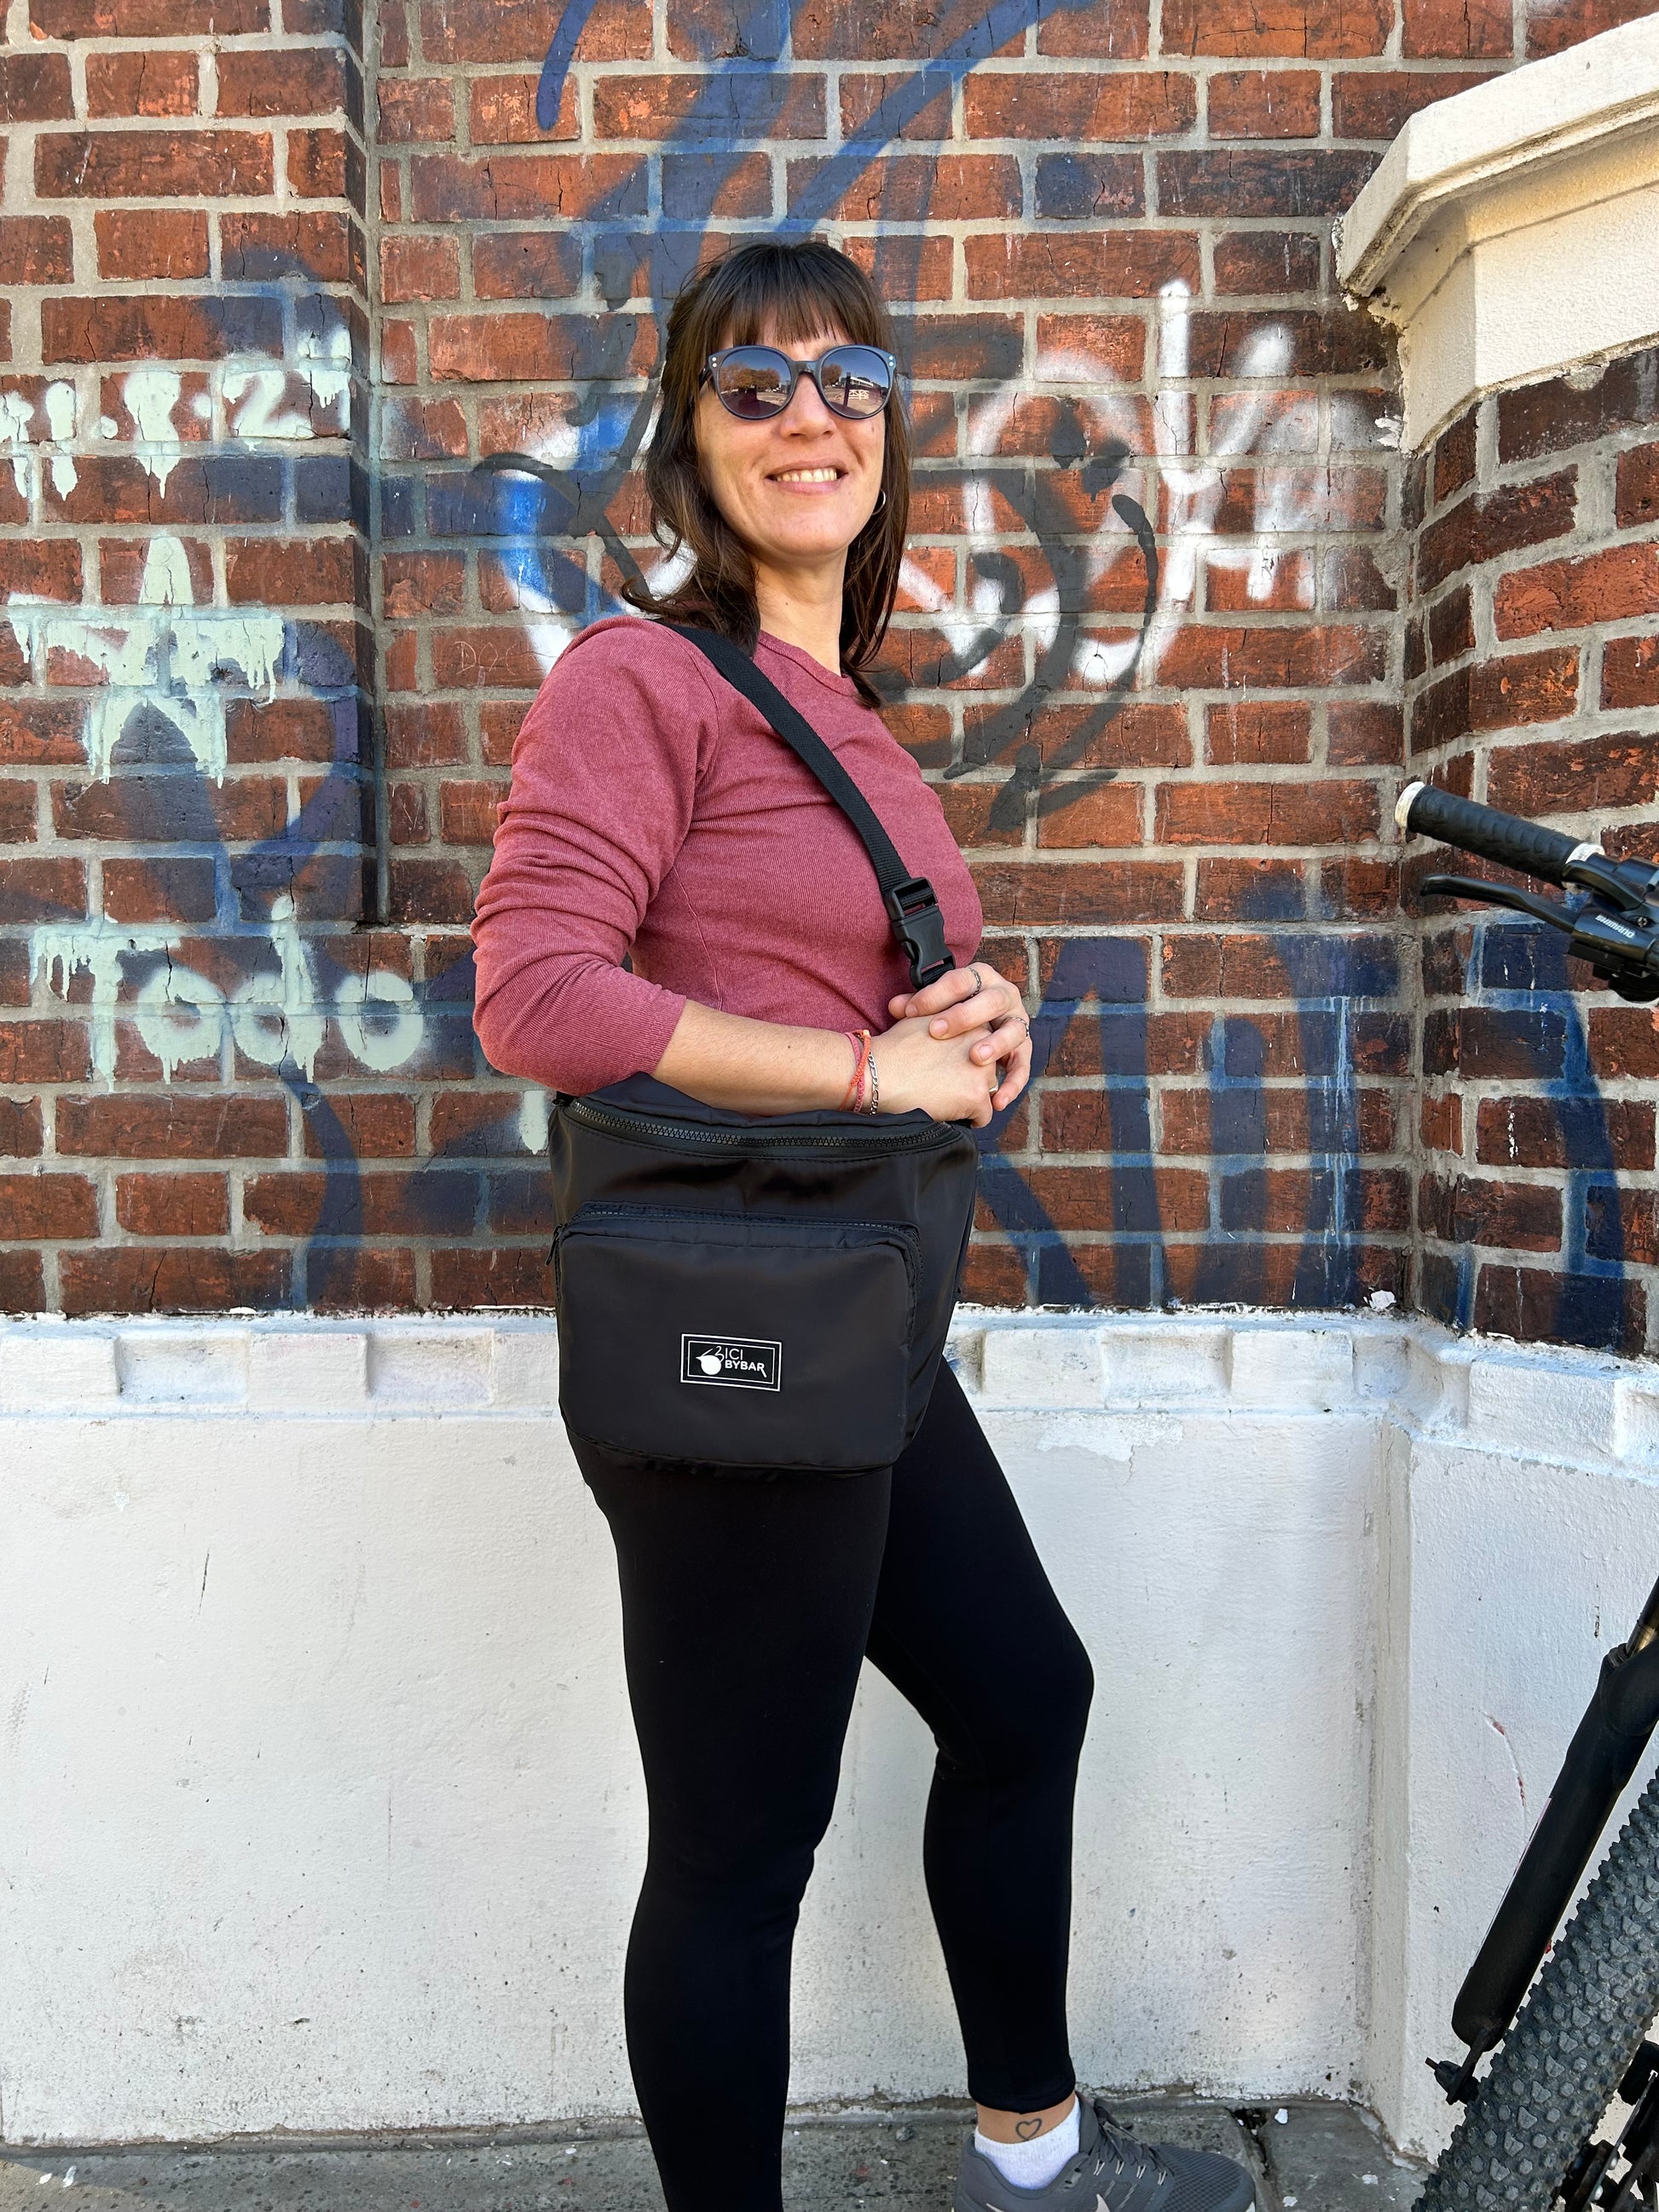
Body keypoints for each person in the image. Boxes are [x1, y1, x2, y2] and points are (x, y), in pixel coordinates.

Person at [471, 235, 1253, 2212]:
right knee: (738, 1857)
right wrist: (862, 1070)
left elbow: (879, 1009)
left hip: (867, 1320)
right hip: (733, 1334)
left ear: (892, 428)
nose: (808, 413)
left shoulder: (845, 714)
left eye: (849, 379)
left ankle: (1032, 2155)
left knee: (1022, 1695)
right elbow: (537, 996)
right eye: (754, 384)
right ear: (689, 440)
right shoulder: (639, 681)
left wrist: (977, 1028)